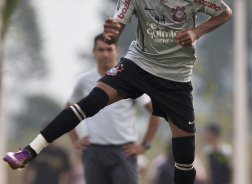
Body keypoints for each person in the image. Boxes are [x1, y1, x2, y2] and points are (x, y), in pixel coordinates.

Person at [3, 1, 232, 183]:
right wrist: (111, 34)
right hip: (139, 65)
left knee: (184, 157)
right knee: (91, 101)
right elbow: (115, 32)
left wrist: (195, 32)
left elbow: (224, 13)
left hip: (176, 77)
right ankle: (29, 151)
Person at [67, 33, 160, 184]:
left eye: (109, 50)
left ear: (116, 50)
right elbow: (68, 110)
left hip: (123, 151)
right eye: (101, 50)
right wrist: (76, 141)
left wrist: (144, 145)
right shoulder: (84, 81)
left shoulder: (129, 79)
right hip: (94, 151)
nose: (105, 54)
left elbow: (156, 111)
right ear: (94, 52)